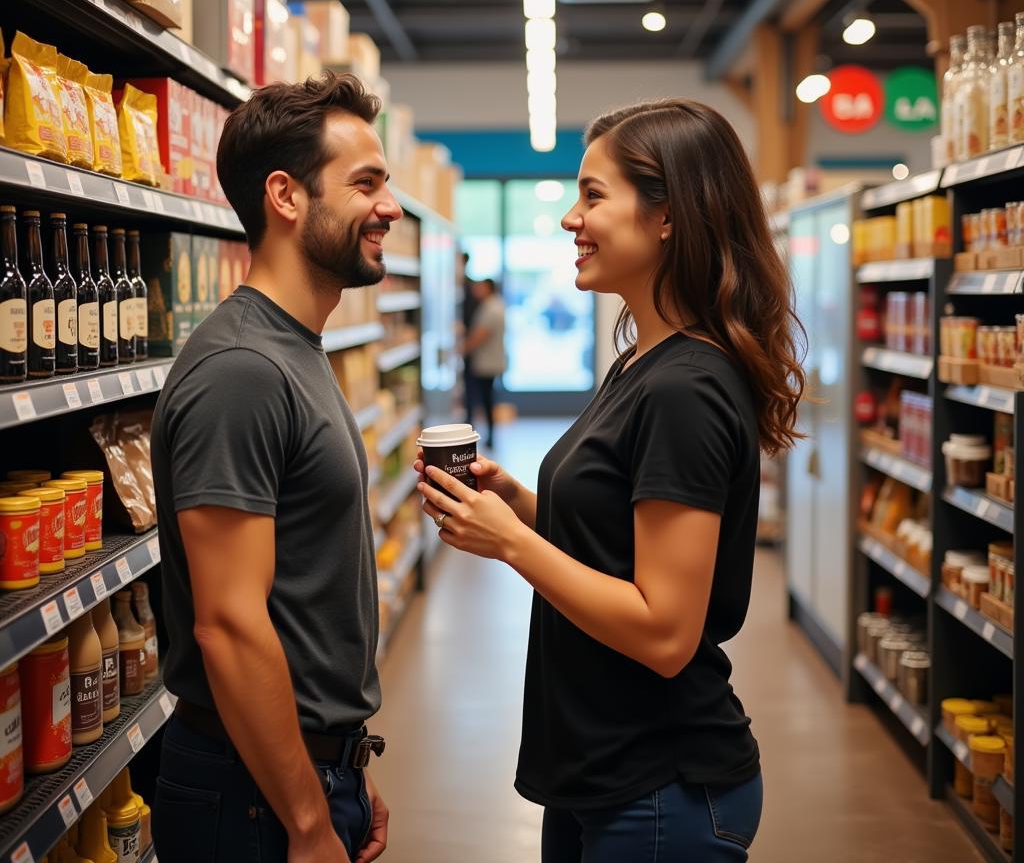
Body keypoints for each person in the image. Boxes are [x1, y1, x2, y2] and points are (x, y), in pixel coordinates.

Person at [416, 99, 805, 861]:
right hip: (603, 773)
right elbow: (623, 538)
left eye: (593, 195)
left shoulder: (683, 388)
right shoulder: (641, 362)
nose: (571, 217)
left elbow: (665, 632)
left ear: (667, 216)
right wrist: (521, 507)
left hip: (661, 787)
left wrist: (513, 549)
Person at [151, 73, 400, 863]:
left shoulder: (295, 349)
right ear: (286, 197)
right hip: (250, 798)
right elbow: (229, 624)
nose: (389, 207)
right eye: (365, 183)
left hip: (300, 771)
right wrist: (305, 816)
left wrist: (345, 767)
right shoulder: (242, 370)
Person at [464, 277, 506, 448]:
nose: (476, 291)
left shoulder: (491, 308)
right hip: (491, 361)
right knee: (487, 398)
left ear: (488, 288)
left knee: (483, 399)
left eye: (480, 288)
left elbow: (481, 334)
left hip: (486, 363)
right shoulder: (496, 304)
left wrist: (463, 349)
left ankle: (483, 437)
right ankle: (488, 436)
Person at [460, 250, 480, 431]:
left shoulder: (470, 287)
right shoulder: (463, 284)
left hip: (469, 348)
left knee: (472, 387)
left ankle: (469, 422)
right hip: (463, 346)